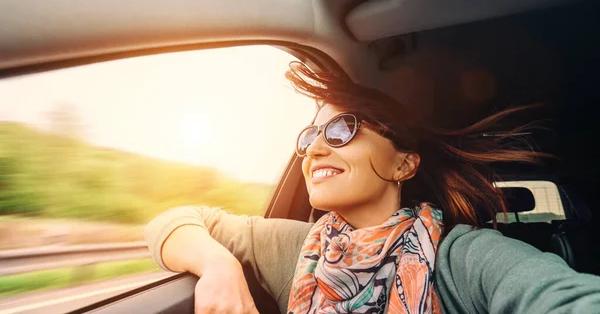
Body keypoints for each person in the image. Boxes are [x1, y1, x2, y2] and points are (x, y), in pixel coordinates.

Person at [145, 62, 600, 314]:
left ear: (404, 163)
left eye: (342, 129)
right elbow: (172, 222)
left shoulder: (461, 256)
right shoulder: (297, 249)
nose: (314, 149)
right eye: (309, 136)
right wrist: (218, 265)